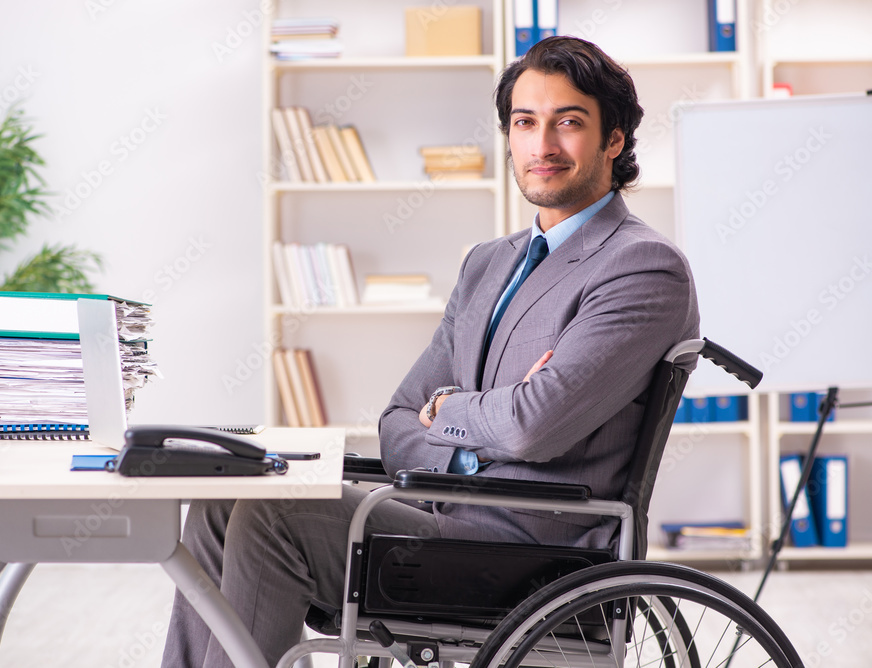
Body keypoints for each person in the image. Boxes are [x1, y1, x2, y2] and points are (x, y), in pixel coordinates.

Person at [161, 35, 699, 668]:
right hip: (437, 517)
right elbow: (396, 423)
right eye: (525, 123)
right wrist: (484, 416)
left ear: (614, 140)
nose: (542, 145)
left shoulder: (641, 267)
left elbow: (532, 426)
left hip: (530, 553)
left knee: (269, 515)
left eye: (569, 123)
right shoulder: (487, 265)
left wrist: (445, 408)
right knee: (221, 504)